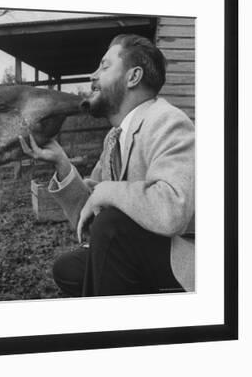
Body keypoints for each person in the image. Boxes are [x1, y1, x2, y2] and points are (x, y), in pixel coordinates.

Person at [19, 34, 195, 297]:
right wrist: (61, 162)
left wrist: (106, 191)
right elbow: (89, 216)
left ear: (132, 77)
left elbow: (172, 210)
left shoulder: (168, 121)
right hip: (138, 249)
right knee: (68, 269)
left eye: (104, 66)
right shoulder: (114, 138)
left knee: (112, 226)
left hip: (184, 257)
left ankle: (106, 330)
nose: (93, 75)